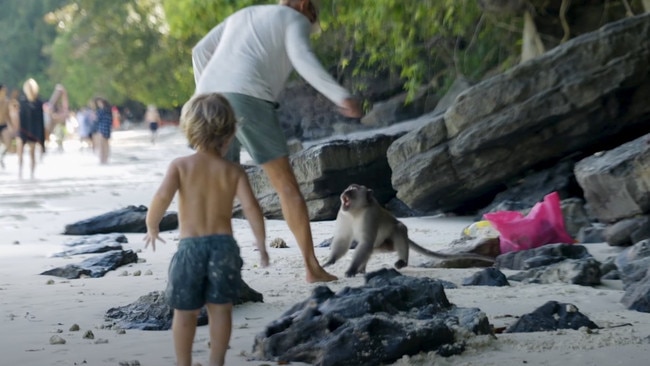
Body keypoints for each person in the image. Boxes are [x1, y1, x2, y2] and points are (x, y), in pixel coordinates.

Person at [192, 0, 363, 283]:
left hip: (208, 99)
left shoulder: (245, 14)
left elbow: (200, 51)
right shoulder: (292, 18)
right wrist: (339, 95)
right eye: (313, 17)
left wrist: (205, 90)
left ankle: (215, 273)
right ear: (303, 5)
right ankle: (312, 268)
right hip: (248, 96)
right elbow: (303, 58)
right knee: (285, 185)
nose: (311, 24)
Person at [144, 93, 268, 366]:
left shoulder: (180, 166)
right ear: (229, 132)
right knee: (221, 310)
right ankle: (216, 362)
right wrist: (261, 245)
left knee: (184, 313)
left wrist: (152, 225)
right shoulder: (233, 171)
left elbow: (161, 198)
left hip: (190, 248)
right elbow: (252, 210)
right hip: (224, 248)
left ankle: (184, 362)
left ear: (189, 129)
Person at [17, 78, 45, 180]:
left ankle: (32, 175)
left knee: (32, 153)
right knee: (20, 153)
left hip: (33, 131)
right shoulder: (22, 101)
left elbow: (41, 121)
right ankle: (20, 173)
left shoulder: (39, 103)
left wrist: (41, 138)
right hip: (22, 129)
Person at [0, 84, 16, 169]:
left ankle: (2, 157)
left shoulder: (6, 102)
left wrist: (12, 126)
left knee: (8, 142)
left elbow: (8, 115)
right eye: (3, 90)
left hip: (3, 125)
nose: (5, 92)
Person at [94, 97, 112, 164]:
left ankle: (102, 159)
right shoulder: (108, 110)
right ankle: (106, 159)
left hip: (102, 128)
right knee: (106, 144)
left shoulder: (101, 111)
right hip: (107, 128)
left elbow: (96, 119)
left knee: (102, 144)